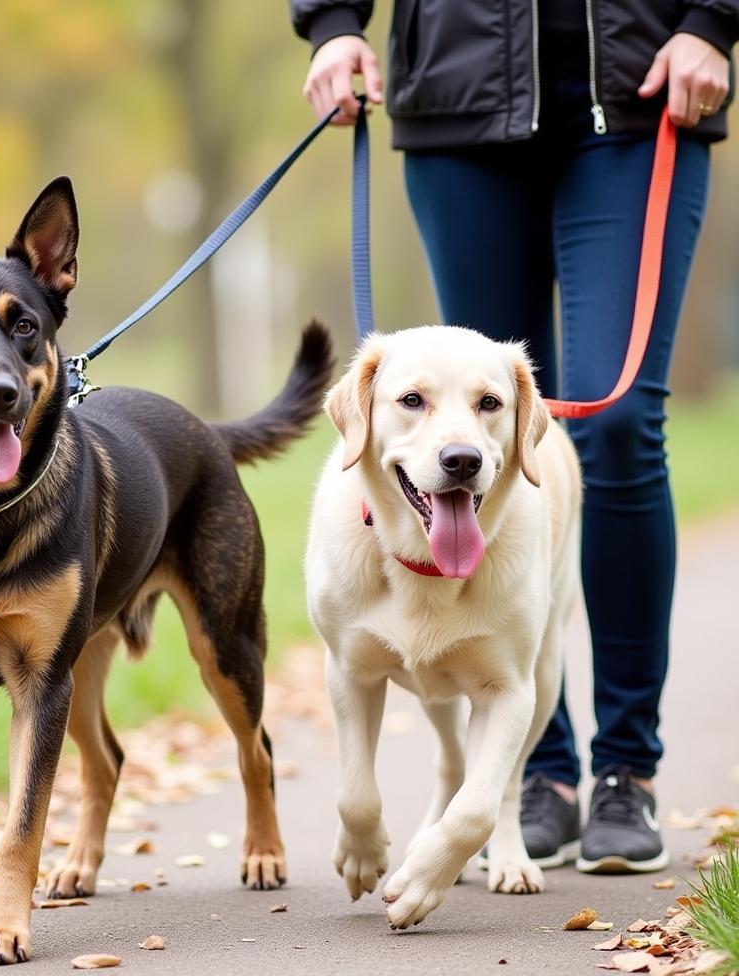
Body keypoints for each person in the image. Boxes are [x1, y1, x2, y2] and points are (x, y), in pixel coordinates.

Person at [290, 0, 737, 873]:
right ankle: (543, 774)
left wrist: (712, 19)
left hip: (642, 82)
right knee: (460, 415)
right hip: (459, 91)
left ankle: (623, 771)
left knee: (609, 425)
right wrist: (335, 21)